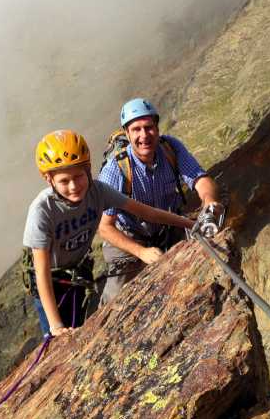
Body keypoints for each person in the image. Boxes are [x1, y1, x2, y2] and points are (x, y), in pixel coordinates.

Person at [23, 129, 194, 337]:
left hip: (78, 275)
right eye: (64, 181)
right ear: (48, 179)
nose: (74, 186)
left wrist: (189, 224)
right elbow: (42, 273)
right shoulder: (42, 210)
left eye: (79, 176)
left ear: (88, 169)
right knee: (55, 337)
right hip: (52, 281)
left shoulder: (98, 192)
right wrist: (55, 326)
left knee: (78, 332)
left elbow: (147, 212)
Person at [98, 98, 223, 305]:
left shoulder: (170, 148)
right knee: (116, 301)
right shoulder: (116, 168)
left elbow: (200, 179)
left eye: (148, 127)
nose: (143, 135)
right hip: (128, 236)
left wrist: (209, 203)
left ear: (157, 128)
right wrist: (141, 252)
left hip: (166, 227)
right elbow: (105, 227)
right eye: (136, 129)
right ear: (127, 134)